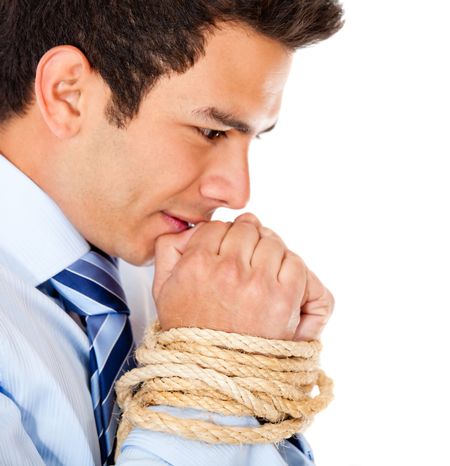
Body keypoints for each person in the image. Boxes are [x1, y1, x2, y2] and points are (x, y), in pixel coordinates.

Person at [0, 1, 343, 465]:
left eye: (252, 139)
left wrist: (255, 381)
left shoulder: (173, 290)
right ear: (67, 94)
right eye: (211, 132)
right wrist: (202, 374)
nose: (237, 191)